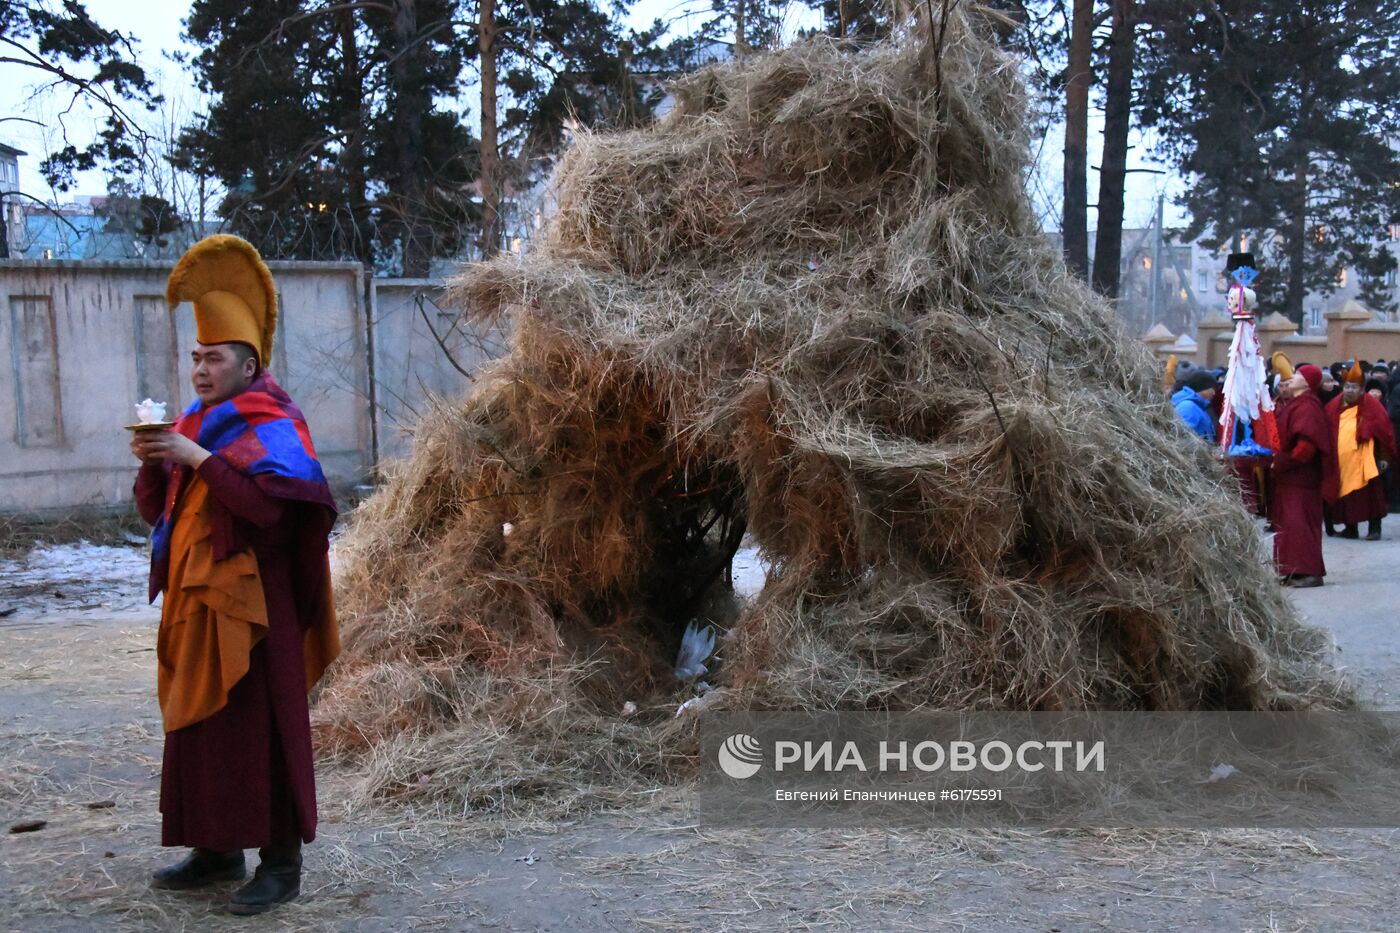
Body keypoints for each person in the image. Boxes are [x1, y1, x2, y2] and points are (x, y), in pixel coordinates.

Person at [129, 234, 340, 916]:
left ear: (248, 363)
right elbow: (153, 509)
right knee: (201, 725)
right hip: (199, 601)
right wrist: (152, 461)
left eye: (212, 356)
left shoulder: (272, 420)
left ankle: (281, 862)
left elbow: (264, 511)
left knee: (263, 729)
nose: (199, 367)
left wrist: (194, 455)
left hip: (259, 607)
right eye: (194, 356)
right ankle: (217, 847)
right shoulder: (196, 421)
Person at [1271, 364, 1335, 587]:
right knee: (1288, 524)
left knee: (1300, 524)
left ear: (1307, 382)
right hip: (1290, 477)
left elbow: (1308, 445)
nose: (1292, 378)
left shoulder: (1308, 407)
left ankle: (1310, 572)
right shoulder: (1296, 403)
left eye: (1298, 375)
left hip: (1301, 477)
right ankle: (1292, 570)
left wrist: (1283, 462)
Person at [1324, 361, 1397, 540]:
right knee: (1347, 496)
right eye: (1347, 386)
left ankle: (1375, 529)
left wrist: (1384, 457)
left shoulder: (1372, 406)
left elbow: (1384, 433)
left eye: (1354, 387)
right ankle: (1351, 528)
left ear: (1362, 389)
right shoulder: (1334, 407)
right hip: (1342, 461)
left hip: (1367, 458)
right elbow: (1327, 429)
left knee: (1373, 495)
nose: (1350, 390)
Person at [1172, 369, 1219, 442]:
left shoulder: (1198, 406)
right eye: (1211, 388)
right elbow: (1182, 438)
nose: (1213, 393)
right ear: (1202, 387)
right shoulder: (1188, 407)